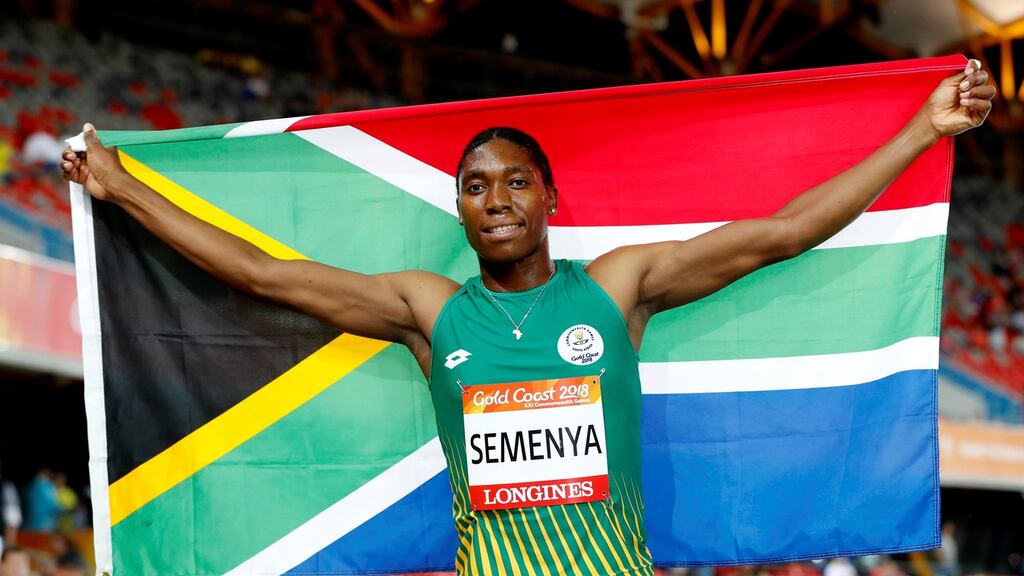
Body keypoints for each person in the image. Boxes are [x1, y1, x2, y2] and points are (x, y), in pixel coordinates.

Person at [62, 60, 994, 575]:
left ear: (550, 198)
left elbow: (786, 233)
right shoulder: (428, 312)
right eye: (475, 186)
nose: (496, 198)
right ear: (458, 209)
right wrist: (121, 190)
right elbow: (264, 273)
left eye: (515, 182)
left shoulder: (617, 288)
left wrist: (923, 129)